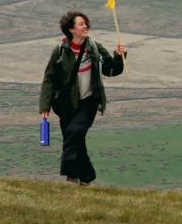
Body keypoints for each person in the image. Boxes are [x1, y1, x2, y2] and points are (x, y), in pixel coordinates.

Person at [38, 10, 126, 185]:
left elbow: (110, 70)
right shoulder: (60, 51)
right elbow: (49, 79)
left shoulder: (93, 47)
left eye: (86, 23)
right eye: (81, 24)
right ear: (71, 29)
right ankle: (86, 177)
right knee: (76, 140)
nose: (85, 26)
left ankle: (70, 173)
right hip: (65, 103)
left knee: (74, 132)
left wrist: (118, 56)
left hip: (89, 101)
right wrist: (45, 107)